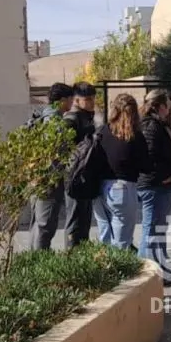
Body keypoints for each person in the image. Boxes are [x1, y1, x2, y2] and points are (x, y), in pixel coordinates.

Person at [137, 88, 171, 276]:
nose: (169, 110)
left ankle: (157, 269)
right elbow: (149, 155)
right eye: (168, 106)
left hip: (159, 185)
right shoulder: (151, 126)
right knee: (152, 229)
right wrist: (164, 176)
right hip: (155, 185)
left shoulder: (155, 124)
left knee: (156, 228)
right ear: (159, 106)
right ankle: (149, 272)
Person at [94, 93, 147, 249]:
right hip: (122, 187)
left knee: (105, 236)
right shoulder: (135, 136)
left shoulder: (103, 131)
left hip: (99, 188)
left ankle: (103, 270)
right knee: (122, 242)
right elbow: (145, 165)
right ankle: (118, 272)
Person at [27, 82, 74, 250]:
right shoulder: (54, 122)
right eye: (70, 99)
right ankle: (38, 265)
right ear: (62, 100)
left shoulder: (41, 116)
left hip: (37, 179)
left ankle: (33, 261)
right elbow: (55, 154)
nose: (72, 103)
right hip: (48, 180)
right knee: (45, 226)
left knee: (37, 224)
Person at [63, 82, 99, 247]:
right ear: (76, 100)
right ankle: (71, 259)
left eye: (93, 99)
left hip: (87, 177)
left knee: (84, 222)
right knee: (75, 223)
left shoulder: (87, 117)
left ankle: (81, 258)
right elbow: (64, 150)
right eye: (88, 99)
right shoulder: (71, 120)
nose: (92, 102)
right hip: (75, 177)